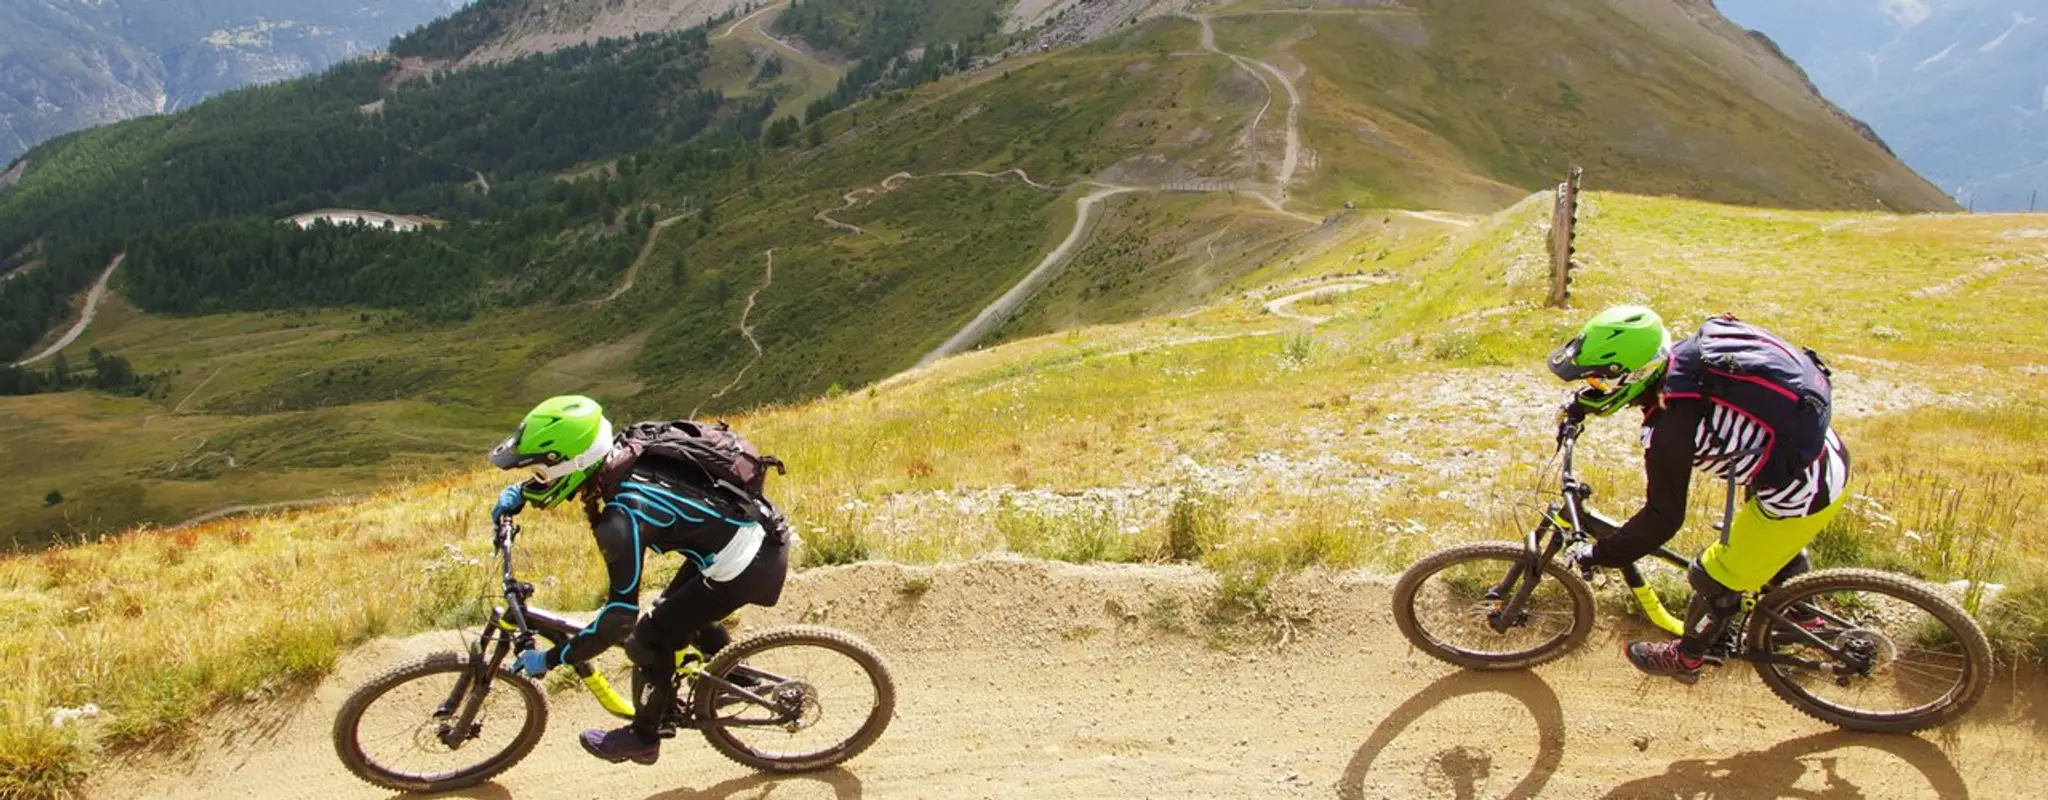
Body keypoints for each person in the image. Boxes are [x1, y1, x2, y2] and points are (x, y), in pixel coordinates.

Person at [1548, 306, 1849, 682]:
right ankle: (1807, 614)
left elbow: (1664, 517)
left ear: (1634, 375)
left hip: (1802, 492)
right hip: (1823, 457)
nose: (1596, 389)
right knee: (1758, 547)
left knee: (1711, 575)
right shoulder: (1690, 363)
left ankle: (1689, 657)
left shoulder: (1670, 427)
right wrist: (1580, 407)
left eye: (1598, 382)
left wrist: (1598, 555)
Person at [487, 395, 790, 764]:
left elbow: (618, 619)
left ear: (573, 463)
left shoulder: (621, 520)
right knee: (676, 611)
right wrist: (521, 494)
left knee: (646, 639)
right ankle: (735, 677)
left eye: (539, 474)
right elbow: (563, 476)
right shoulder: (623, 451)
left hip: (746, 564)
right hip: (752, 533)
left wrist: (552, 658)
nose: (537, 480)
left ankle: (644, 737)